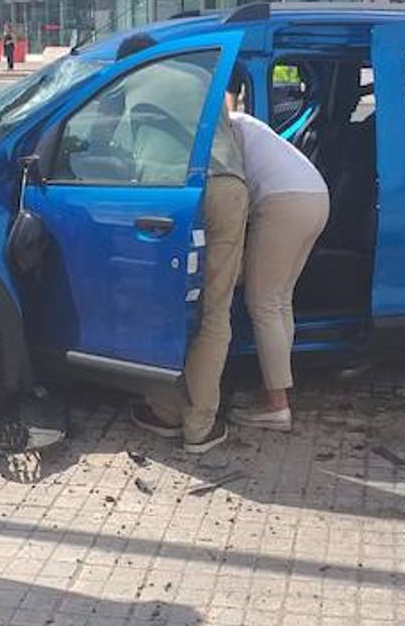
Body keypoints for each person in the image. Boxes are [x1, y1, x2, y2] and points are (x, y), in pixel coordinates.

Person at [131, 89, 248, 454]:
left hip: (170, 192)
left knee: (163, 305)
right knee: (214, 309)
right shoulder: (200, 69)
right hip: (226, 184)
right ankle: (199, 426)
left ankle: (166, 411)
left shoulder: (135, 80)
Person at [226, 88, 329, 433]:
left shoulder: (228, 130)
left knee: (263, 303)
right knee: (280, 301)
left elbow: (231, 192)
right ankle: (277, 394)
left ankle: (276, 407)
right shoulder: (247, 124)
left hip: (284, 202)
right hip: (315, 196)